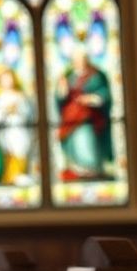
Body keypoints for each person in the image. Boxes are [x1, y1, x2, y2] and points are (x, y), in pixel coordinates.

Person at [55, 48, 113, 182]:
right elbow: (60, 99)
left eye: (82, 59)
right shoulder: (68, 76)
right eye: (76, 60)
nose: (79, 62)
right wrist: (62, 91)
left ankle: (92, 169)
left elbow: (104, 94)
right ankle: (77, 170)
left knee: (86, 140)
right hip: (71, 118)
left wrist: (92, 98)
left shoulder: (96, 76)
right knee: (74, 142)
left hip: (89, 119)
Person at [0, 64, 36, 187]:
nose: (8, 81)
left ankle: (20, 175)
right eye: (4, 78)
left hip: (21, 130)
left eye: (9, 77)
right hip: (5, 133)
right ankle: (9, 177)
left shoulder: (21, 96)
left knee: (21, 151)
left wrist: (19, 111)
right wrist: (5, 111)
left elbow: (29, 115)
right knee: (9, 153)